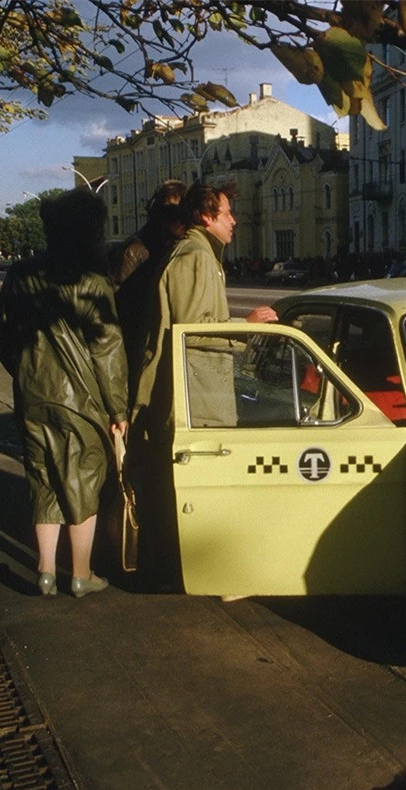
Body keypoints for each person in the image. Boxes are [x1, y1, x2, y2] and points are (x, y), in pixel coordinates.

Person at [129, 180, 276, 589]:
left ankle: (189, 570)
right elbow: (191, 331)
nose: (235, 221)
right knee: (193, 490)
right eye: (227, 213)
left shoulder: (200, 254)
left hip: (198, 391)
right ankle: (194, 573)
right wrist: (244, 327)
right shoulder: (196, 256)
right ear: (206, 216)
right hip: (194, 396)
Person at [0, 190, 128, 598]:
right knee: (83, 480)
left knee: (43, 478)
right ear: (88, 233)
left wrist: (24, 373)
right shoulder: (91, 284)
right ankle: (82, 573)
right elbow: (107, 352)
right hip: (81, 402)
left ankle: (46, 570)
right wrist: (118, 408)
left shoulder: (20, 275)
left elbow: (3, 337)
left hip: (33, 394)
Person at [108, 180, 187, 405]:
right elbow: (117, 313)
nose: (184, 223)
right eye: (178, 215)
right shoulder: (136, 251)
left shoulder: (169, 247)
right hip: (135, 354)